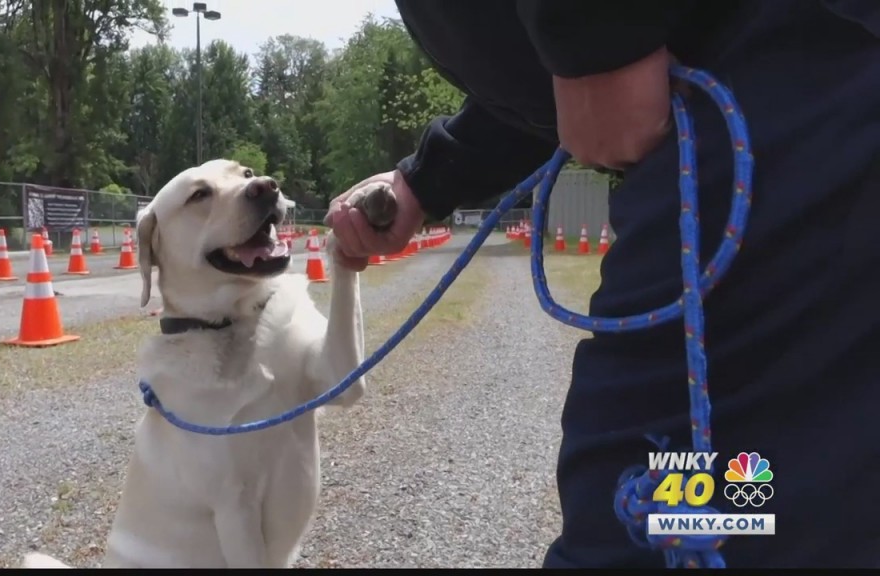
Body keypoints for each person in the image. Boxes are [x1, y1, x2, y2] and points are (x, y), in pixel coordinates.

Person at [324, 0, 880, 569]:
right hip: (751, 95)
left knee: (667, 526)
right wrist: (430, 178)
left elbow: (601, 60)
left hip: (785, 91)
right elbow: (555, 83)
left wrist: (597, 39)